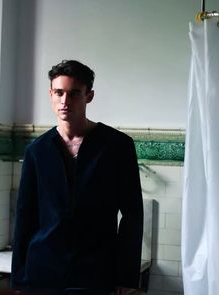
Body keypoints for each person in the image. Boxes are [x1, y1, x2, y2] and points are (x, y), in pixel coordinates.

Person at [11, 60, 143, 295]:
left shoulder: (117, 146)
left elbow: (132, 214)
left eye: (74, 93)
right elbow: (25, 217)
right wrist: (19, 278)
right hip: (44, 271)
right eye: (59, 93)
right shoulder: (36, 151)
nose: (65, 101)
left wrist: (127, 275)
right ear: (50, 94)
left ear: (89, 96)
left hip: (96, 273)